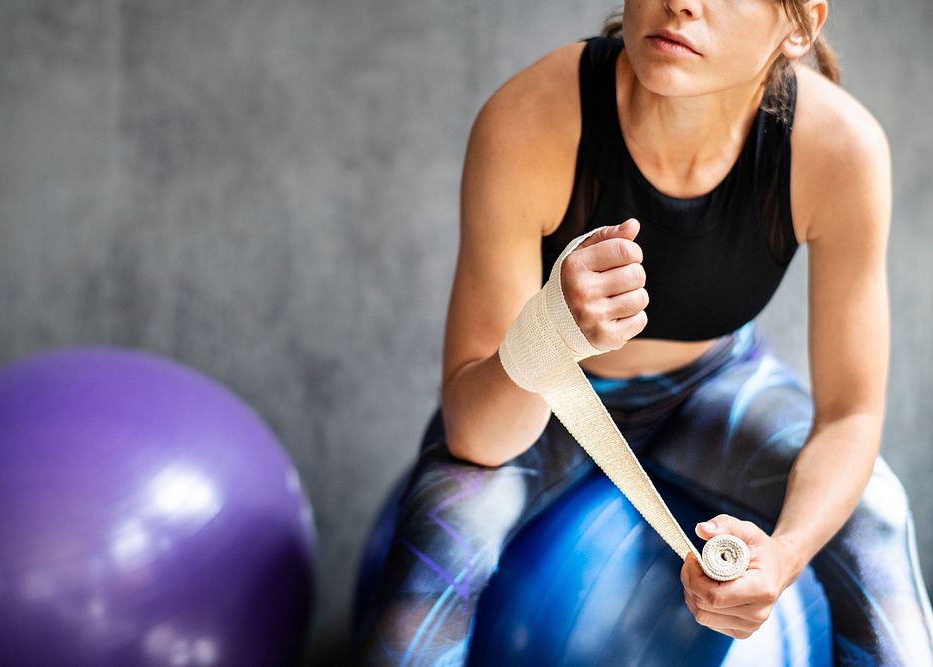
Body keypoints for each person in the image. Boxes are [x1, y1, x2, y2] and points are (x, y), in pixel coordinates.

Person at [352, 1, 933, 665]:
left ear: (800, 24)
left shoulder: (840, 148)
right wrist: (552, 334)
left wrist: (786, 552)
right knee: (444, 533)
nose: (681, 1)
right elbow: (476, 434)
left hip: (714, 388)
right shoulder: (530, 117)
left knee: (876, 513)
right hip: (548, 399)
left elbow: (851, 416)